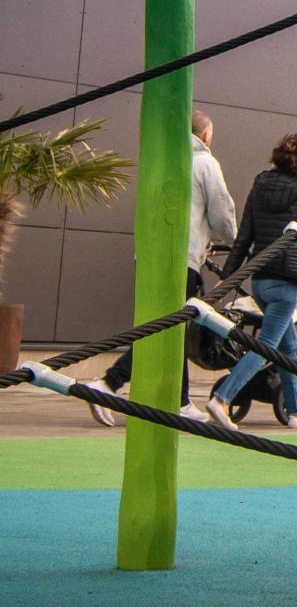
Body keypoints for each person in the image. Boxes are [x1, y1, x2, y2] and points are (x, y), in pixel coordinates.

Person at [191, 132, 297, 431]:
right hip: (288, 284)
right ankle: (222, 398)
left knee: (288, 349)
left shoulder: (260, 184)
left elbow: (245, 235)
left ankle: (296, 412)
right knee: (266, 346)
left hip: (261, 282)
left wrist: (229, 278)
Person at [102, 110, 235, 403]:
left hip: (149, 256)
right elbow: (221, 212)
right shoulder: (204, 163)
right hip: (181, 258)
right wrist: (232, 240)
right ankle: (110, 382)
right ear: (206, 135)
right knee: (168, 328)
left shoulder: (161, 160)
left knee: (168, 327)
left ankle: (182, 401)